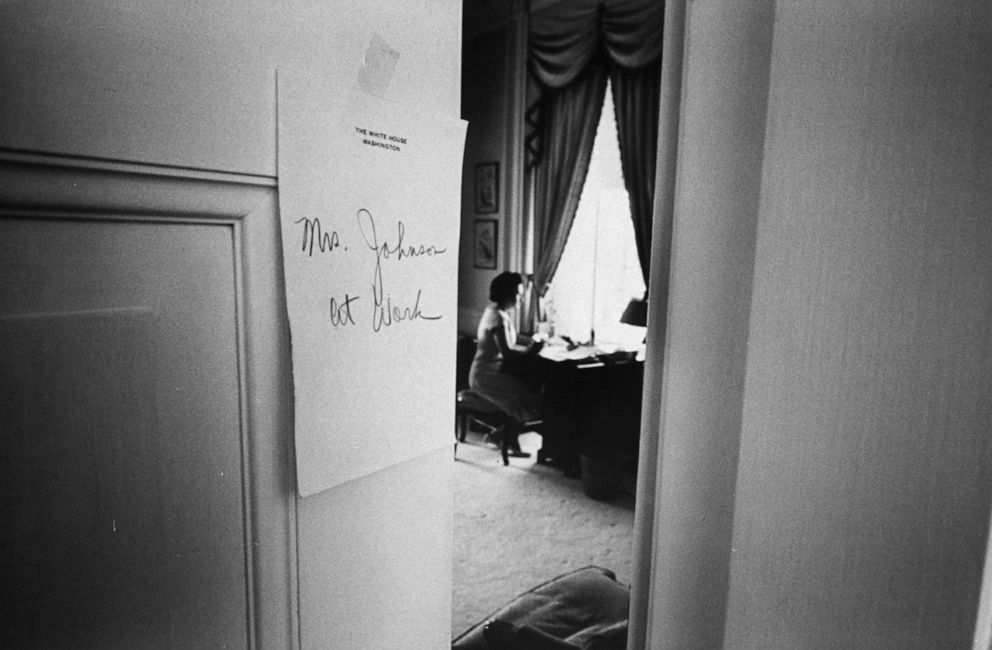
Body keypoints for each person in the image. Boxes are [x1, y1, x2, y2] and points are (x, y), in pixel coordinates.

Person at [469, 271, 544, 457]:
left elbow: (511, 337)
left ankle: (501, 437)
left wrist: (531, 340)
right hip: (485, 376)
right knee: (528, 397)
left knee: (527, 396)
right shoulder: (497, 317)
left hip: (491, 372)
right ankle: (503, 438)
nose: (520, 299)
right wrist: (531, 350)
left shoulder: (497, 312)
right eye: (517, 294)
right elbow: (508, 354)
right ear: (507, 294)